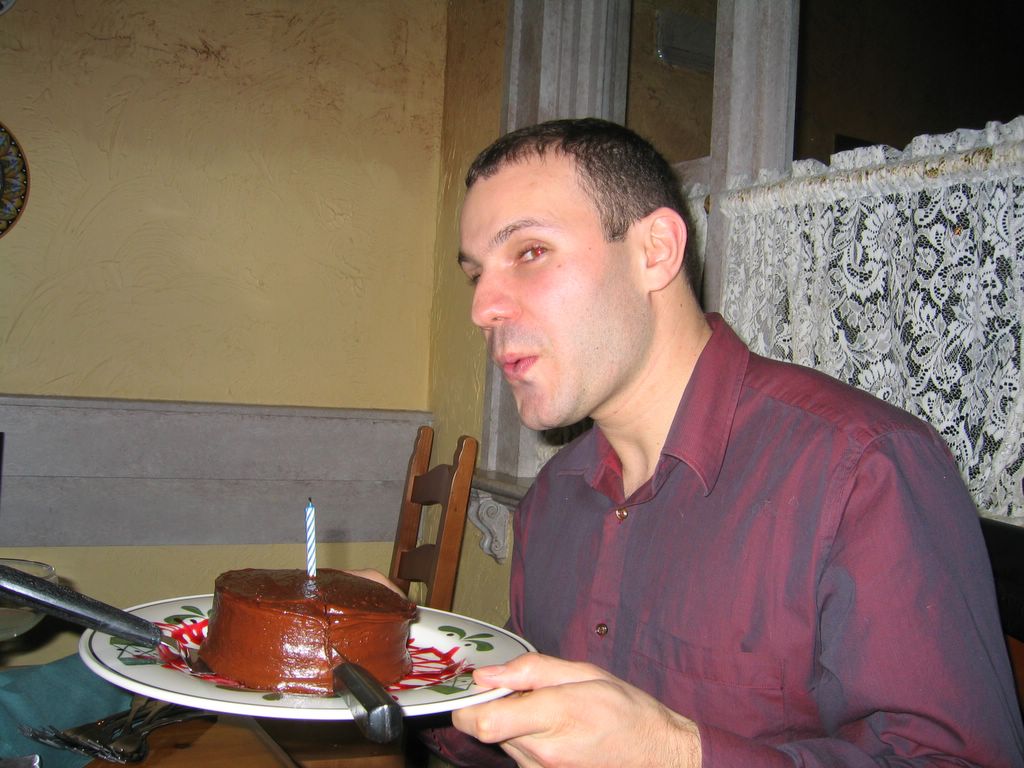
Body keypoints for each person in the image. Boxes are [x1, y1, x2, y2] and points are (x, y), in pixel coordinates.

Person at [422, 118, 1024, 767]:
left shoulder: (862, 470)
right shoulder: (552, 498)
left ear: (656, 250)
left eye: (530, 252)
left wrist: (676, 756)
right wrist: (393, 660)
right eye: (476, 275)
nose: (483, 308)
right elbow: (523, 718)